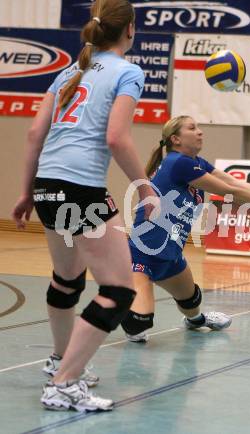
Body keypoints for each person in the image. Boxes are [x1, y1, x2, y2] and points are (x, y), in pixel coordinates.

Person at [11, 0, 156, 412]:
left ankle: (60, 360)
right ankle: (64, 382)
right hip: (80, 188)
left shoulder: (68, 72)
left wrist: (26, 193)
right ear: (129, 29)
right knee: (118, 288)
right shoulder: (128, 72)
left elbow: (35, 134)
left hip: (48, 185)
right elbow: (116, 138)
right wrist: (145, 188)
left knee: (67, 279)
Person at [120, 115, 250, 343]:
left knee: (192, 301)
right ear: (176, 139)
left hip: (169, 256)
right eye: (192, 128)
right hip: (142, 255)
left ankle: (196, 321)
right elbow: (226, 190)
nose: (200, 132)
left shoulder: (196, 163)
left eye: (199, 127)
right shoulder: (178, 163)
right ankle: (119, 296)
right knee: (138, 328)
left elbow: (235, 183)